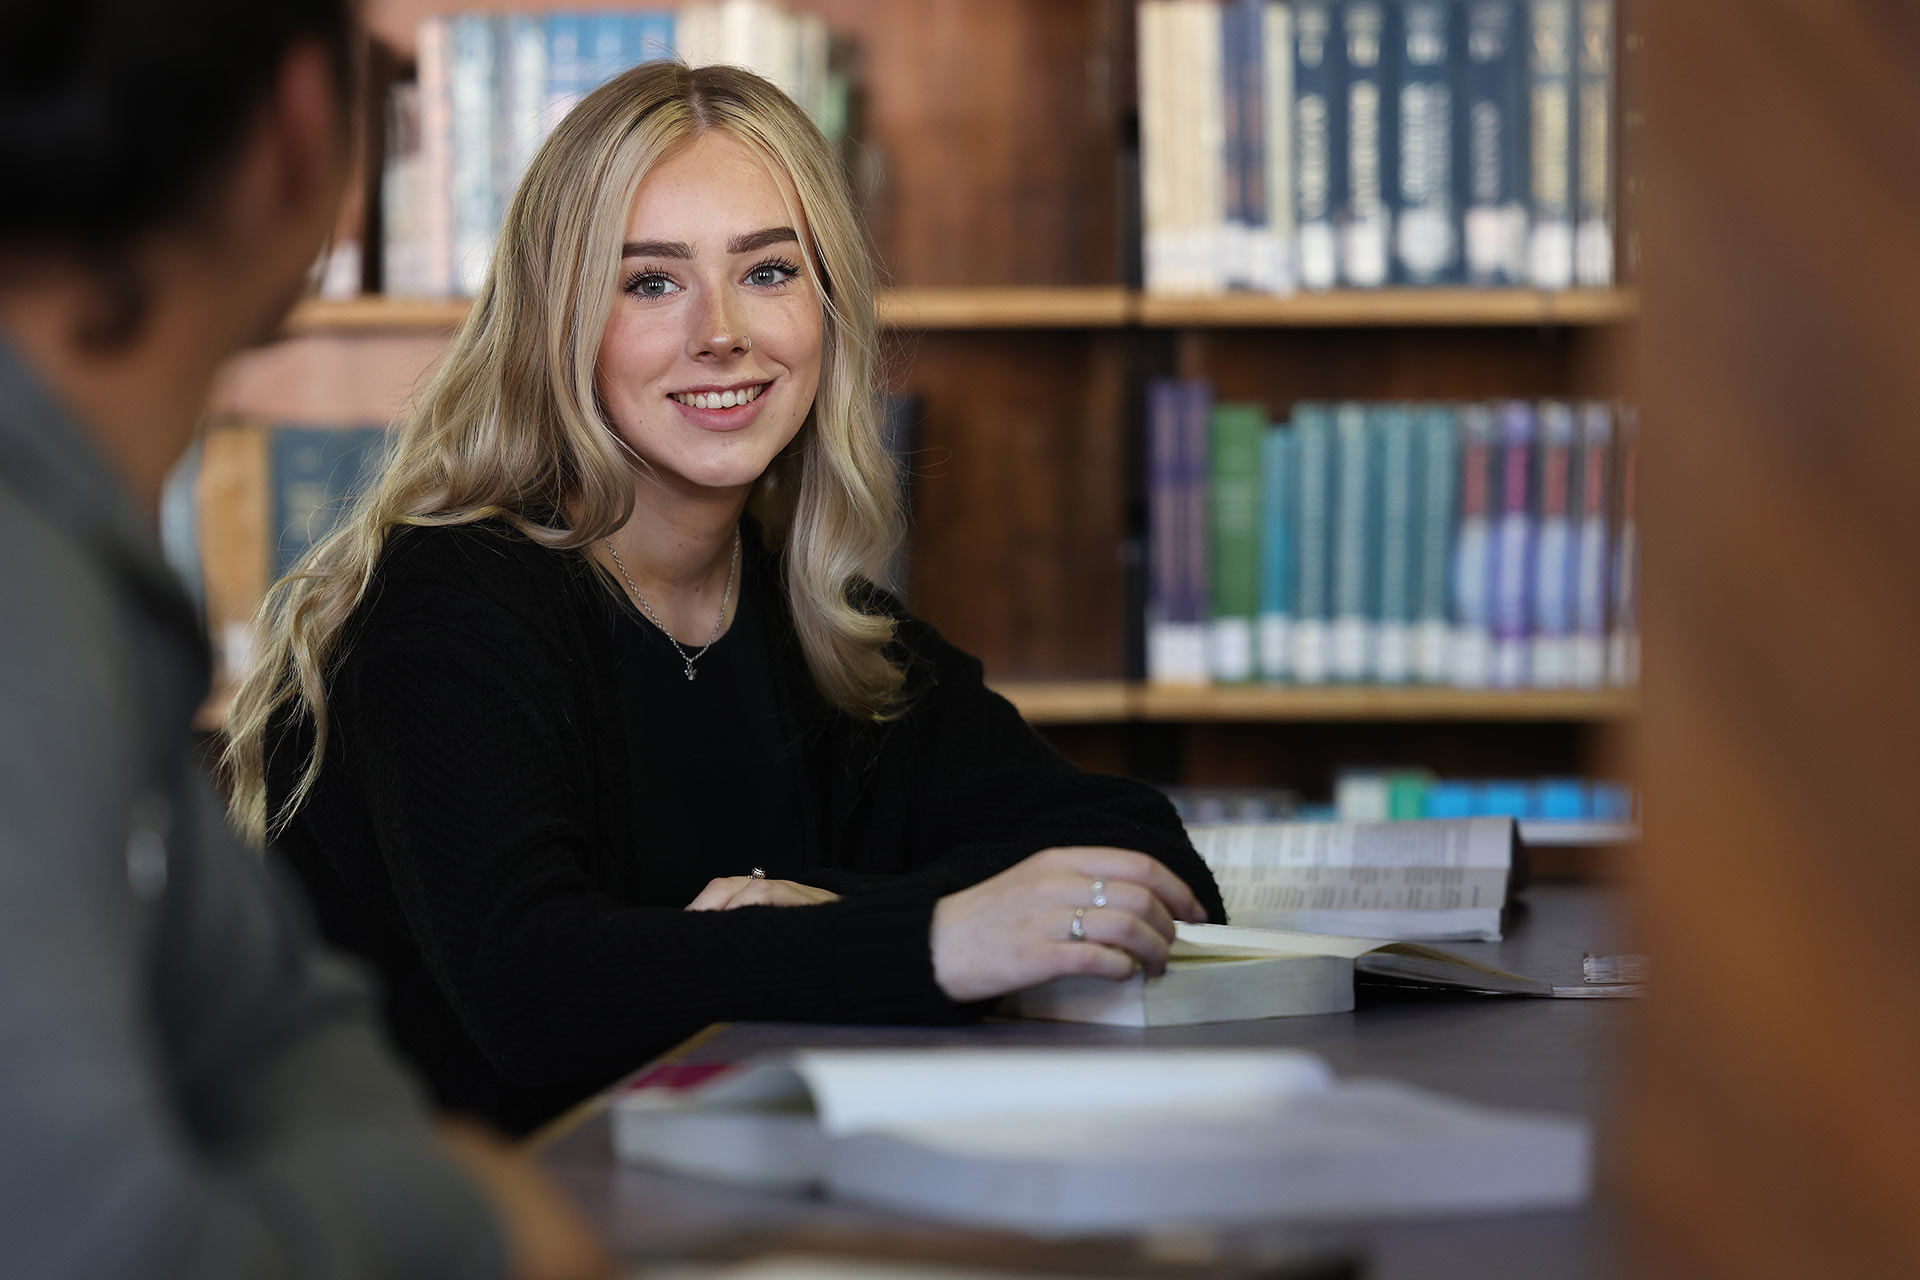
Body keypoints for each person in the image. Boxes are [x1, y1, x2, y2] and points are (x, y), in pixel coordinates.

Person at [223, 61, 1227, 1137]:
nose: (722, 332)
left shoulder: (825, 631)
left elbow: (1151, 856)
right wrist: (935, 936)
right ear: (559, 323)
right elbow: (536, 988)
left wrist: (836, 915)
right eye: (651, 281)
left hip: (690, 1203)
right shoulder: (447, 605)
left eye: (769, 272)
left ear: (828, 304)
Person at [0, 2, 610, 1276]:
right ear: (300, 130)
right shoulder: (30, 608)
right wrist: (464, 1217)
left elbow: (268, 1023)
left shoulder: (85, 577)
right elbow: (108, 1252)